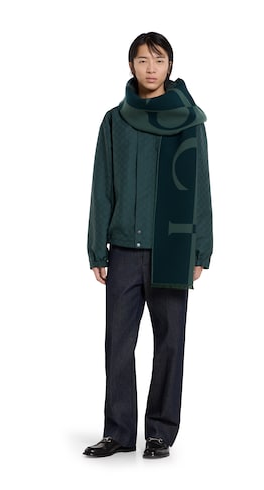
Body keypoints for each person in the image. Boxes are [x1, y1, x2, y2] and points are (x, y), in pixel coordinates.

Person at [83, 32, 213, 459]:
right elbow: (102, 186)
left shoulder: (188, 121)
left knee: (170, 344)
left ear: (170, 65)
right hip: (123, 249)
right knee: (118, 344)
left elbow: (199, 186)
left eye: (158, 60)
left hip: (172, 248)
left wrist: (200, 250)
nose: (151, 68)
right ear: (131, 66)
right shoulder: (114, 121)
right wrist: (97, 248)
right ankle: (118, 432)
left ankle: (159, 432)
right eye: (142, 60)